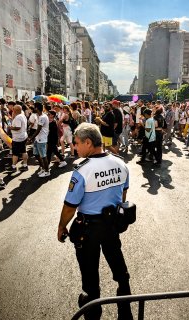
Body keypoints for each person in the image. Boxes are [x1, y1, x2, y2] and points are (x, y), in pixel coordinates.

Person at [57, 123, 133, 320]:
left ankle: (93, 310)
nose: (74, 147)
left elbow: (70, 206)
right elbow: (123, 195)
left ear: (88, 142)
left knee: (90, 273)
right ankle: (125, 301)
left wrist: (61, 226)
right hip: (112, 225)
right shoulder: (120, 163)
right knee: (117, 261)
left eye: (76, 143)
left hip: (88, 229)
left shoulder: (82, 171)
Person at [28, 102, 50, 178]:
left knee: (43, 156)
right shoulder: (39, 115)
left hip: (42, 139)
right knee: (36, 154)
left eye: (34, 107)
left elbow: (38, 130)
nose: (33, 108)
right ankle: (43, 168)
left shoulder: (43, 117)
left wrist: (31, 138)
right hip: (38, 139)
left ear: (37, 108)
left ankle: (47, 171)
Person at [9, 104, 29, 171]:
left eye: (13, 109)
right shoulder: (22, 116)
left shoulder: (18, 117)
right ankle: (25, 165)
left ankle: (13, 167)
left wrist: (10, 127)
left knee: (15, 153)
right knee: (24, 151)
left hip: (18, 138)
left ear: (14, 110)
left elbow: (18, 127)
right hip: (23, 136)